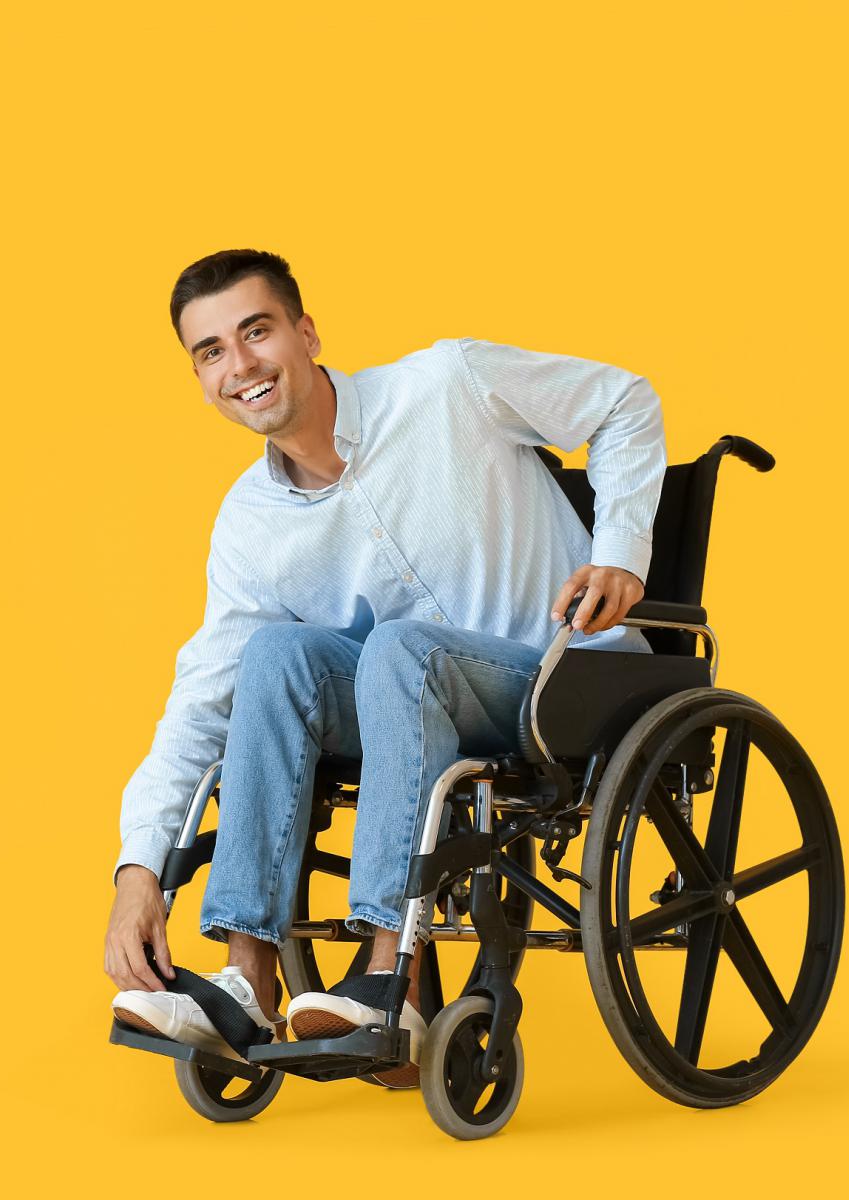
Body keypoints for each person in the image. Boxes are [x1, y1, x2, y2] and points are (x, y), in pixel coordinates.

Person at [106, 249, 665, 1086]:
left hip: (561, 680)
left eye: (255, 332)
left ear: (304, 332)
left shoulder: (446, 384)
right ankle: (245, 981)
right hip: (413, 705)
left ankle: (386, 978)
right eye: (211, 351)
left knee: (399, 645)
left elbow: (624, 401)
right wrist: (139, 867)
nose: (241, 365)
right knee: (274, 653)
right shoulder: (249, 522)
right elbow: (203, 700)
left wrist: (621, 551)